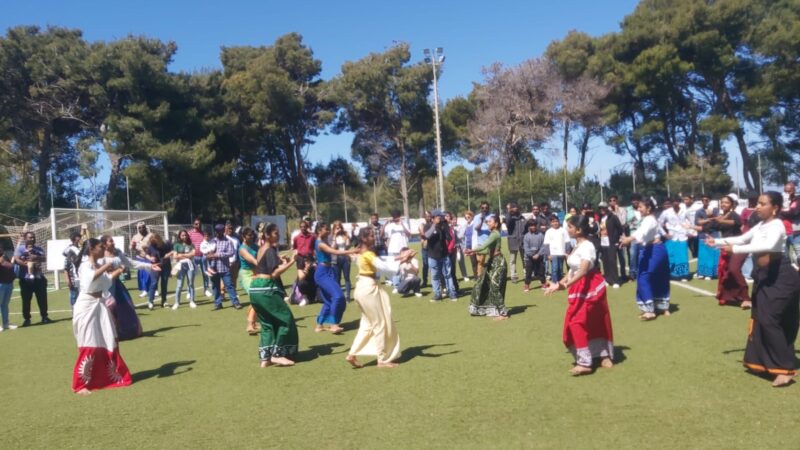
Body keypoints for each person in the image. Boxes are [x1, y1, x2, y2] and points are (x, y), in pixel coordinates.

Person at [707, 192, 800, 387]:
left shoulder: (777, 225)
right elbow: (742, 238)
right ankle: (761, 361)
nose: (757, 207)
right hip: (764, 277)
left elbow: (767, 245)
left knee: (770, 319)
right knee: (759, 318)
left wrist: (736, 250)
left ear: (774, 207)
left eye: (762, 203)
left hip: (780, 277)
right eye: (757, 203)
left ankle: (785, 368)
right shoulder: (760, 225)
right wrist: (716, 242)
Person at [544, 215, 614, 376]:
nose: (567, 229)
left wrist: (565, 285)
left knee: (584, 321)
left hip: (591, 286)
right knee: (578, 321)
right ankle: (597, 355)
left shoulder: (588, 245)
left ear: (579, 229)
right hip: (579, 286)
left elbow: (583, 269)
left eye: (570, 226)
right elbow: (573, 270)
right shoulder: (577, 246)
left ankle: (589, 361)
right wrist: (558, 283)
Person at [71, 238, 132, 395]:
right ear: (91, 249)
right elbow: (89, 279)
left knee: (108, 339)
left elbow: (106, 280)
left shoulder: (98, 265)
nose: (103, 249)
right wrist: (107, 266)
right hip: (86, 306)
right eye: (100, 247)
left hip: (99, 305)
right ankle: (80, 385)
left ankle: (109, 377)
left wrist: (119, 270)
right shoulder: (85, 265)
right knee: (89, 341)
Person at [345, 227, 407, 369]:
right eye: (372, 236)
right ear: (365, 238)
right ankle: (382, 359)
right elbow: (383, 266)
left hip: (362, 287)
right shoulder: (367, 254)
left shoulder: (361, 252)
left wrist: (401, 258)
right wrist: (403, 261)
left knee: (367, 324)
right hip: (369, 289)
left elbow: (382, 260)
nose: (374, 237)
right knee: (380, 324)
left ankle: (352, 354)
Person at [249, 223, 298, 367]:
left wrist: (281, 261)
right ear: (267, 235)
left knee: (267, 324)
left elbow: (263, 265)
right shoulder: (269, 250)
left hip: (255, 289)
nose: (279, 236)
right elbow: (274, 273)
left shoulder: (262, 249)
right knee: (285, 319)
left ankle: (265, 359)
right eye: (276, 233)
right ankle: (278, 354)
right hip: (265, 289)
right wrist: (292, 262)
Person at [621, 199, 670, 320]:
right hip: (658, 250)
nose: (639, 209)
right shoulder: (652, 219)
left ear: (648, 208)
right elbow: (660, 232)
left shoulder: (649, 219)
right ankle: (663, 308)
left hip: (652, 251)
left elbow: (641, 232)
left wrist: (629, 239)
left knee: (643, 277)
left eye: (641, 207)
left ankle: (650, 310)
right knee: (659, 277)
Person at [100, 235, 150, 340]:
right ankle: (109, 335)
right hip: (106, 286)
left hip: (117, 284)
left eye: (113, 241)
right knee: (108, 310)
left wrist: (149, 266)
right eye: (110, 241)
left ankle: (126, 332)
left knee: (126, 306)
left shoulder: (117, 252)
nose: (113, 243)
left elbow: (130, 263)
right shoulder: (100, 256)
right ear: (104, 244)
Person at [314, 222, 357, 334]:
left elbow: (332, 248)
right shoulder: (319, 243)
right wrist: (351, 251)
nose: (328, 231)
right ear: (319, 231)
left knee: (328, 301)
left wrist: (333, 238)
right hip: (322, 273)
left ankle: (319, 325)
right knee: (338, 296)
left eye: (329, 229)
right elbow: (334, 251)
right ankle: (333, 324)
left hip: (329, 271)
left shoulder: (324, 241)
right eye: (326, 229)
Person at [465, 215, 508, 319]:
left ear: (496, 224)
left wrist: (472, 250)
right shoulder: (492, 234)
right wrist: (474, 253)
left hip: (498, 263)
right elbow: (487, 250)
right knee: (480, 284)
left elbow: (484, 246)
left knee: (495, 287)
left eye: (490, 222)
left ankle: (503, 313)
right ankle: (490, 309)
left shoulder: (495, 234)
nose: (488, 223)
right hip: (492, 262)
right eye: (487, 222)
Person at [712, 196, 751, 309]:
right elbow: (713, 226)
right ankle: (728, 296)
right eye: (722, 202)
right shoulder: (721, 215)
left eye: (726, 202)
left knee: (733, 270)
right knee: (725, 271)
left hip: (736, 246)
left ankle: (745, 297)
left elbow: (738, 222)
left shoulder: (733, 214)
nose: (723, 204)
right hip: (725, 246)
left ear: (732, 204)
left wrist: (722, 220)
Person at [14, 231, 50, 326]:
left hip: (39, 278)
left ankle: (44, 317)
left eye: (33, 237)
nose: (32, 239)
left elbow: (44, 258)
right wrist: (26, 264)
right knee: (26, 300)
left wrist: (36, 257)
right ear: (25, 239)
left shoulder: (38, 249)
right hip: (25, 279)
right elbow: (16, 259)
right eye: (30, 237)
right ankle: (27, 319)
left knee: (42, 299)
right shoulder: (20, 249)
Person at [207, 224, 243, 310]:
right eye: (217, 231)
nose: (218, 232)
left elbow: (231, 252)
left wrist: (218, 254)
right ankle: (218, 303)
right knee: (215, 286)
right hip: (214, 268)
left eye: (220, 231)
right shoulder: (212, 241)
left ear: (223, 231)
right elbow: (207, 253)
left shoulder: (228, 241)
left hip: (224, 268)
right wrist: (208, 255)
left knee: (229, 285)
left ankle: (235, 302)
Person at [425, 209, 457, 301]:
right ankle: (437, 294)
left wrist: (447, 227)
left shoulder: (444, 225)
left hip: (444, 255)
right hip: (433, 256)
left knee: (447, 274)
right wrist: (435, 225)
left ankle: (452, 293)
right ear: (434, 218)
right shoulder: (427, 226)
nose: (442, 218)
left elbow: (449, 237)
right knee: (435, 276)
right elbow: (427, 236)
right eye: (440, 216)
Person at [659, 197, 691, 281]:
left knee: (682, 255)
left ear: (680, 202)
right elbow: (659, 224)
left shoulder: (685, 211)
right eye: (673, 201)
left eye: (677, 201)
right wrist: (665, 234)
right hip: (671, 236)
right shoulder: (666, 212)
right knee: (670, 255)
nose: (675, 203)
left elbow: (691, 222)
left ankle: (683, 275)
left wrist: (689, 231)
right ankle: (671, 273)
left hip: (682, 236)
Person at [238, 227, 260, 335]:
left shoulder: (256, 246)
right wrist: (260, 263)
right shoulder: (242, 249)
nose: (251, 237)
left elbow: (263, 255)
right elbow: (251, 259)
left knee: (258, 297)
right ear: (243, 236)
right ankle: (250, 324)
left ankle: (253, 321)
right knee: (255, 296)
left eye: (252, 234)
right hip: (246, 274)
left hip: (256, 273)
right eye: (249, 235)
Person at [693, 194, 720, 280]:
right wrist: (708, 219)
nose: (705, 201)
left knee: (712, 254)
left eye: (706, 200)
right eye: (703, 200)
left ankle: (711, 273)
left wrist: (710, 217)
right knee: (703, 254)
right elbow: (697, 222)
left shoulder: (715, 210)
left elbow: (717, 221)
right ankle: (702, 272)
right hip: (703, 235)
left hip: (713, 235)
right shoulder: (699, 211)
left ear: (709, 200)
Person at [598, 202, 623, 288]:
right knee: (605, 262)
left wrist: (616, 239)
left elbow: (620, 228)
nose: (602, 210)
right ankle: (608, 279)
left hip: (611, 242)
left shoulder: (613, 217)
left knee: (612, 261)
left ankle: (615, 281)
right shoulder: (601, 218)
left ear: (607, 208)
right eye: (600, 208)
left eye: (603, 208)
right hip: (603, 242)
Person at [145, 233, 172, 310]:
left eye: (155, 241)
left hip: (165, 266)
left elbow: (172, 251)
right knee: (154, 283)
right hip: (155, 266)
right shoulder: (151, 246)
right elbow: (147, 254)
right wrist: (150, 258)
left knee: (164, 283)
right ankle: (151, 301)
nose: (154, 243)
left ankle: (164, 301)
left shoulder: (165, 245)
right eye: (152, 241)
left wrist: (167, 255)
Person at [171, 230, 197, 310]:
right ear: (179, 236)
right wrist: (186, 255)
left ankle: (192, 301)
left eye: (185, 235)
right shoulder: (177, 245)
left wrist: (181, 255)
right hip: (181, 266)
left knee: (191, 284)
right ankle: (176, 302)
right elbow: (175, 256)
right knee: (179, 285)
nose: (184, 237)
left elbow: (193, 254)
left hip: (190, 265)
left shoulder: (191, 244)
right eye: (182, 235)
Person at [187, 218, 211, 298]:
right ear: (193, 224)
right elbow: (187, 243)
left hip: (202, 257)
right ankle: (189, 291)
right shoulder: (189, 233)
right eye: (196, 224)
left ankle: (206, 289)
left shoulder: (203, 233)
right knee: (191, 274)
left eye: (199, 223)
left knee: (205, 273)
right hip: (193, 257)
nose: (198, 225)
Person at [130, 222, 154, 298]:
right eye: (140, 227)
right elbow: (131, 248)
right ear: (138, 229)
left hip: (149, 257)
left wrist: (147, 247)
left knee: (150, 274)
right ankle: (145, 290)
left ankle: (154, 289)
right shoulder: (135, 237)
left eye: (143, 227)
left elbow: (156, 244)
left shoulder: (151, 235)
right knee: (142, 275)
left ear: (145, 227)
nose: (141, 229)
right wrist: (133, 246)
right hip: (139, 258)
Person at [544, 215, 569, 286]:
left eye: (556, 221)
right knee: (554, 269)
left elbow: (567, 242)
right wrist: (548, 254)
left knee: (560, 269)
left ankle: (560, 283)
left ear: (559, 222)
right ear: (550, 223)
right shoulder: (548, 232)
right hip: (553, 254)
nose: (555, 223)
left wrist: (567, 252)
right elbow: (546, 244)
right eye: (553, 222)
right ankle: (554, 283)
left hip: (562, 253)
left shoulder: (563, 230)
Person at [506, 202, 527, 283]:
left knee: (524, 259)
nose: (515, 208)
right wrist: (509, 212)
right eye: (513, 207)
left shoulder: (522, 217)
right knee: (512, 260)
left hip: (522, 241)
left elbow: (525, 228)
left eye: (516, 207)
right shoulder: (509, 217)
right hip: (513, 241)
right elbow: (508, 222)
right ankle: (513, 275)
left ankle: (526, 274)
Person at [608, 195, 628, 279]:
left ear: (617, 201)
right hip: (611, 237)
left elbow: (622, 222)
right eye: (610, 200)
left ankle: (623, 274)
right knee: (612, 258)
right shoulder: (608, 211)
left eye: (614, 200)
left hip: (620, 236)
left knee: (621, 257)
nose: (612, 202)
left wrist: (616, 212)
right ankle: (613, 275)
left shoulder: (622, 210)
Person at [779, 182, 800, 264]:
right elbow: (777, 213)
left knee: (798, 253)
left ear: (794, 190)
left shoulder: (797, 200)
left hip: (795, 231)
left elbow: (795, 213)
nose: (787, 193)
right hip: (784, 231)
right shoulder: (782, 200)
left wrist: (783, 213)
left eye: (789, 191)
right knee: (788, 256)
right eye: (785, 191)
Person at [523, 220, 546, 292]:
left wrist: (538, 254)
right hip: (529, 258)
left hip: (539, 256)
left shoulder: (541, 235)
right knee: (529, 272)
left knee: (541, 271)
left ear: (536, 226)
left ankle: (543, 284)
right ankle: (527, 285)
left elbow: (543, 246)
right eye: (531, 225)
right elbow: (526, 248)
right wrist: (532, 255)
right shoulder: (526, 236)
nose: (533, 227)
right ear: (529, 227)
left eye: (534, 225)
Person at [470, 202, 492, 276]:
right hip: (481, 243)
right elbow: (477, 228)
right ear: (480, 208)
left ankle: (491, 277)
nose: (484, 209)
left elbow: (495, 228)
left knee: (493, 261)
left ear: (489, 208)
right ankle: (480, 279)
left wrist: (488, 223)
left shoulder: (492, 216)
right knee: (480, 262)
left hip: (491, 242)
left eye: (486, 208)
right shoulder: (477, 217)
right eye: (483, 208)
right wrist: (482, 221)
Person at [625, 194, 643, 279]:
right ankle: (632, 274)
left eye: (637, 199)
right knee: (632, 255)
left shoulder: (643, 208)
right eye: (633, 199)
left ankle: (641, 272)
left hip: (643, 236)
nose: (635, 201)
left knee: (642, 255)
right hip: (632, 235)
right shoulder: (627, 210)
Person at [63, 232, 82, 306]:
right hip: (74, 279)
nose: (80, 239)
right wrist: (67, 279)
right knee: (74, 296)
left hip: (81, 278)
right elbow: (66, 267)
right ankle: (74, 313)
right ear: (74, 240)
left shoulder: (80, 249)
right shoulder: (71, 250)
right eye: (78, 238)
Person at [334, 225, 353, 301]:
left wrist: (347, 238)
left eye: (340, 228)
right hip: (337, 258)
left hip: (345, 257)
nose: (339, 229)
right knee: (337, 278)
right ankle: (339, 295)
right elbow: (333, 247)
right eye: (337, 228)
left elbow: (348, 246)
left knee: (347, 277)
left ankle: (347, 296)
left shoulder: (345, 236)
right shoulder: (333, 237)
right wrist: (335, 235)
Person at [0, 251, 17, 331]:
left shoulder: (5, 258)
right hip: (1, 284)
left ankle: (6, 323)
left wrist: (12, 261)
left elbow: (10, 267)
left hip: (8, 284)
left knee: (5, 304)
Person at [418, 211, 433, 288]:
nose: (428, 217)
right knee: (425, 265)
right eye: (426, 216)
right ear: (424, 217)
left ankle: (434, 281)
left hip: (432, 247)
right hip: (425, 247)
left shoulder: (433, 224)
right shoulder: (422, 225)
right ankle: (425, 282)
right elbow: (422, 234)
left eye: (429, 216)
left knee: (432, 265)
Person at [463, 211, 478, 279]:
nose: (467, 218)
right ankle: (475, 276)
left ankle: (479, 275)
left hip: (475, 245)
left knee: (477, 261)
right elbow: (465, 237)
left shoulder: (475, 224)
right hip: (468, 246)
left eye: (468, 217)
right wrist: (465, 247)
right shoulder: (466, 225)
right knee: (473, 262)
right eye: (466, 217)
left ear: (472, 217)